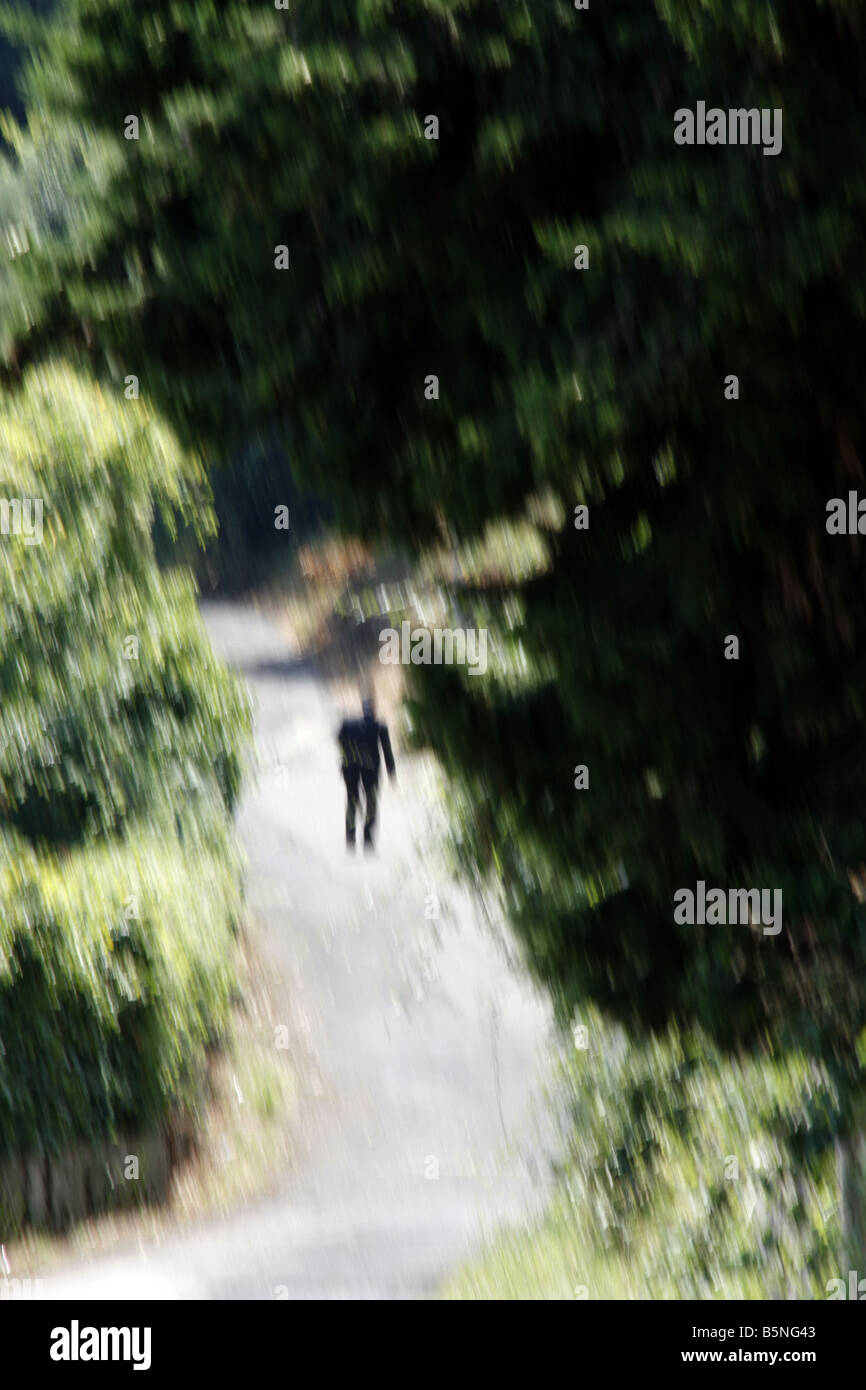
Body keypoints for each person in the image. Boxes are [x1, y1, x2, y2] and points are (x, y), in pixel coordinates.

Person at [337, 696, 396, 851]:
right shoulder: (379, 727)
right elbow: (387, 751)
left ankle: (350, 837)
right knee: (371, 801)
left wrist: (344, 759)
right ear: (374, 710)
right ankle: (368, 837)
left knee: (352, 800)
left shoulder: (348, 724)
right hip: (371, 768)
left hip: (350, 767)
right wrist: (391, 772)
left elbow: (340, 739)